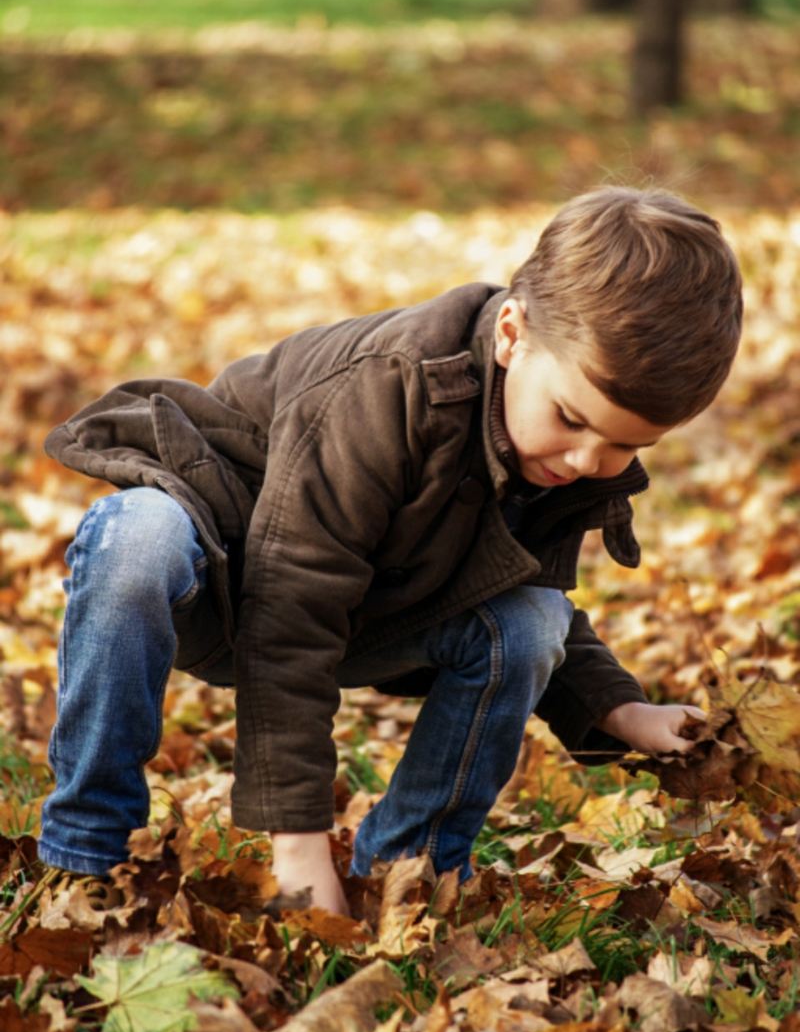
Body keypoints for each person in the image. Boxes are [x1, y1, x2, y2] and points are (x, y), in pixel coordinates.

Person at [35, 187, 741, 917]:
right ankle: (88, 853)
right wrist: (300, 853)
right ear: (511, 333)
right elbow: (291, 606)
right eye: (571, 418)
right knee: (136, 542)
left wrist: (621, 710)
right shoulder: (387, 389)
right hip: (219, 570)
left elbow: (527, 590)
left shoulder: (559, 453)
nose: (590, 458)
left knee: (526, 624)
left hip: (361, 607)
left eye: (628, 445)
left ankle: (408, 870)